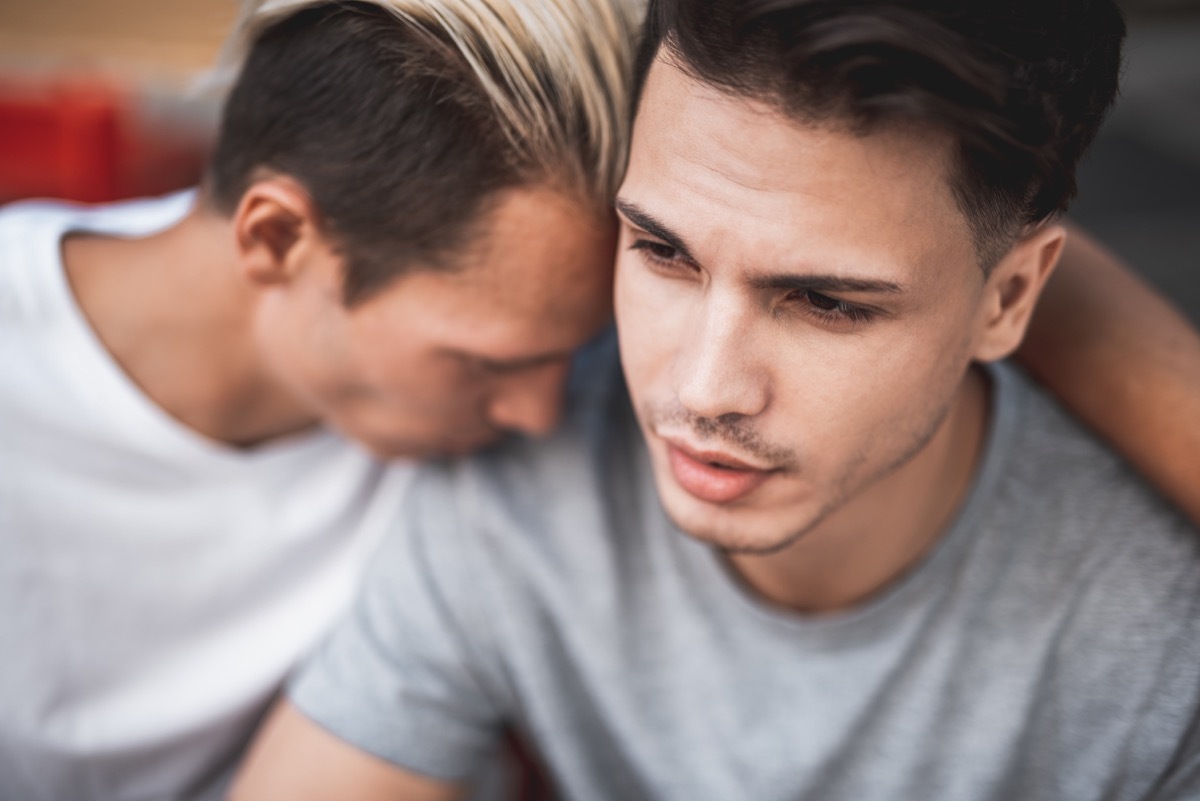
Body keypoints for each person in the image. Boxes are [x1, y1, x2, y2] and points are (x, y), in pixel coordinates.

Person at [229, 0, 1200, 799]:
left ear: (1014, 296)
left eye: (824, 302)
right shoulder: (527, 476)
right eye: (661, 252)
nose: (699, 388)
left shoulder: (1159, 644)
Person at [0, 1, 639, 798]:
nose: (540, 416)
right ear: (276, 239)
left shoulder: (479, 421)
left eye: (562, 358)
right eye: (484, 363)